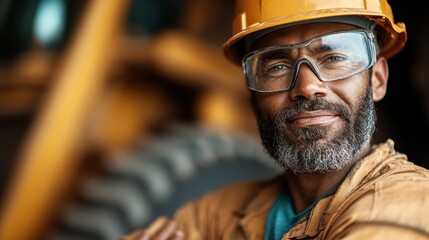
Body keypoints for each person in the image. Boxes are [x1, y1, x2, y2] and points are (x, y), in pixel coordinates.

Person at [122, 0, 429, 239]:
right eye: (277, 66)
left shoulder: (410, 203)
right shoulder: (220, 212)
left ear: (377, 79)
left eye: (334, 58)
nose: (307, 86)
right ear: (252, 94)